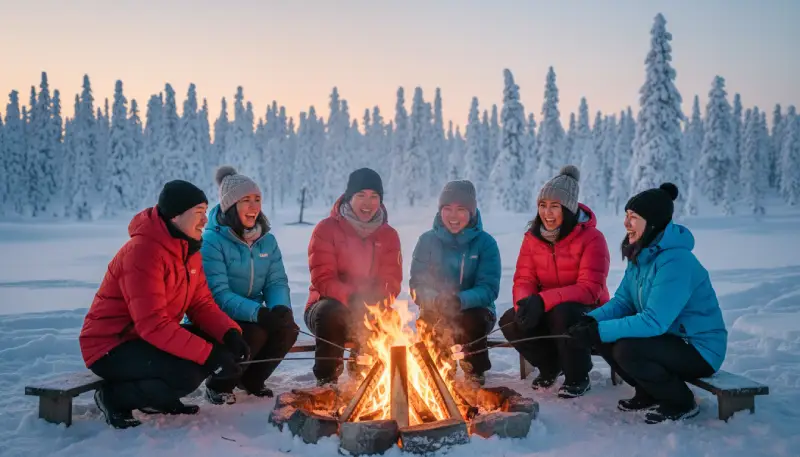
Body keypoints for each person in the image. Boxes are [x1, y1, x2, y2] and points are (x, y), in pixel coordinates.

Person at [79, 180, 250, 429]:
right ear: (175, 216)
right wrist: (209, 355)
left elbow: (200, 304)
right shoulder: (143, 252)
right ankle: (114, 397)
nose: (205, 220)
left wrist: (229, 333)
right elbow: (153, 324)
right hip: (111, 345)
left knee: (217, 348)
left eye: (205, 212)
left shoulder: (188, 251)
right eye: (199, 213)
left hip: (146, 338)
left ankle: (158, 398)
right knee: (188, 373)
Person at [567, 183, 727, 424]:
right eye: (626, 216)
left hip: (698, 348)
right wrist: (591, 320)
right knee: (604, 337)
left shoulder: (676, 261)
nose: (626, 223)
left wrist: (598, 330)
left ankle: (680, 401)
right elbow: (623, 302)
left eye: (633, 217)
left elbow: (654, 321)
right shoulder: (642, 255)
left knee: (627, 348)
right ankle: (649, 391)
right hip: (667, 339)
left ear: (652, 222)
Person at [499, 165, 610, 398]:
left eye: (554, 206)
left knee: (564, 313)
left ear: (568, 209)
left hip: (587, 310)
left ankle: (578, 376)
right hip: (547, 306)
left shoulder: (592, 238)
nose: (547, 213)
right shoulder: (532, 238)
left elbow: (589, 289)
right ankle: (550, 366)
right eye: (542, 205)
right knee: (511, 320)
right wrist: (525, 305)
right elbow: (524, 278)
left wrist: (542, 301)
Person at [194, 166, 299, 405]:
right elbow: (218, 294)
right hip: (214, 315)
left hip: (251, 310)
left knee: (287, 328)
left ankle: (251, 380)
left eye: (257, 199)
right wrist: (257, 313)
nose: (254, 207)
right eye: (245, 200)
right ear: (231, 205)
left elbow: (276, 281)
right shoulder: (212, 241)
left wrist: (279, 307)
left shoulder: (267, 241)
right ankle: (219, 384)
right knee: (253, 332)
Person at [304, 168, 402, 386]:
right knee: (331, 312)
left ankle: (367, 376)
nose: (368, 203)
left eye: (374, 196)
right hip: (325, 308)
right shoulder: (326, 229)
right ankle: (327, 379)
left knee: (390, 318)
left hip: (369, 306)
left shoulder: (389, 235)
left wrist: (376, 300)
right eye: (361, 195)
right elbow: (322, 278)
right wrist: (353, 298)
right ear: (349, 197)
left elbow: (392, 280)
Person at [410, 180, 501, 386]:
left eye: (461, 209)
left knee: (471, 320)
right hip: (436, 307)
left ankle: (475, 369)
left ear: (471, 212)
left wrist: (459, 300)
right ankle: (440, 371)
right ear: (440, 211)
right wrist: (437, 300)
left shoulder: (486, 243)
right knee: (431, 322)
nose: (453, 216)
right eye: (447, 209)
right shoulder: (426, 241)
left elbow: (488, 288)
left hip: (475, 310)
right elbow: (417, 285)